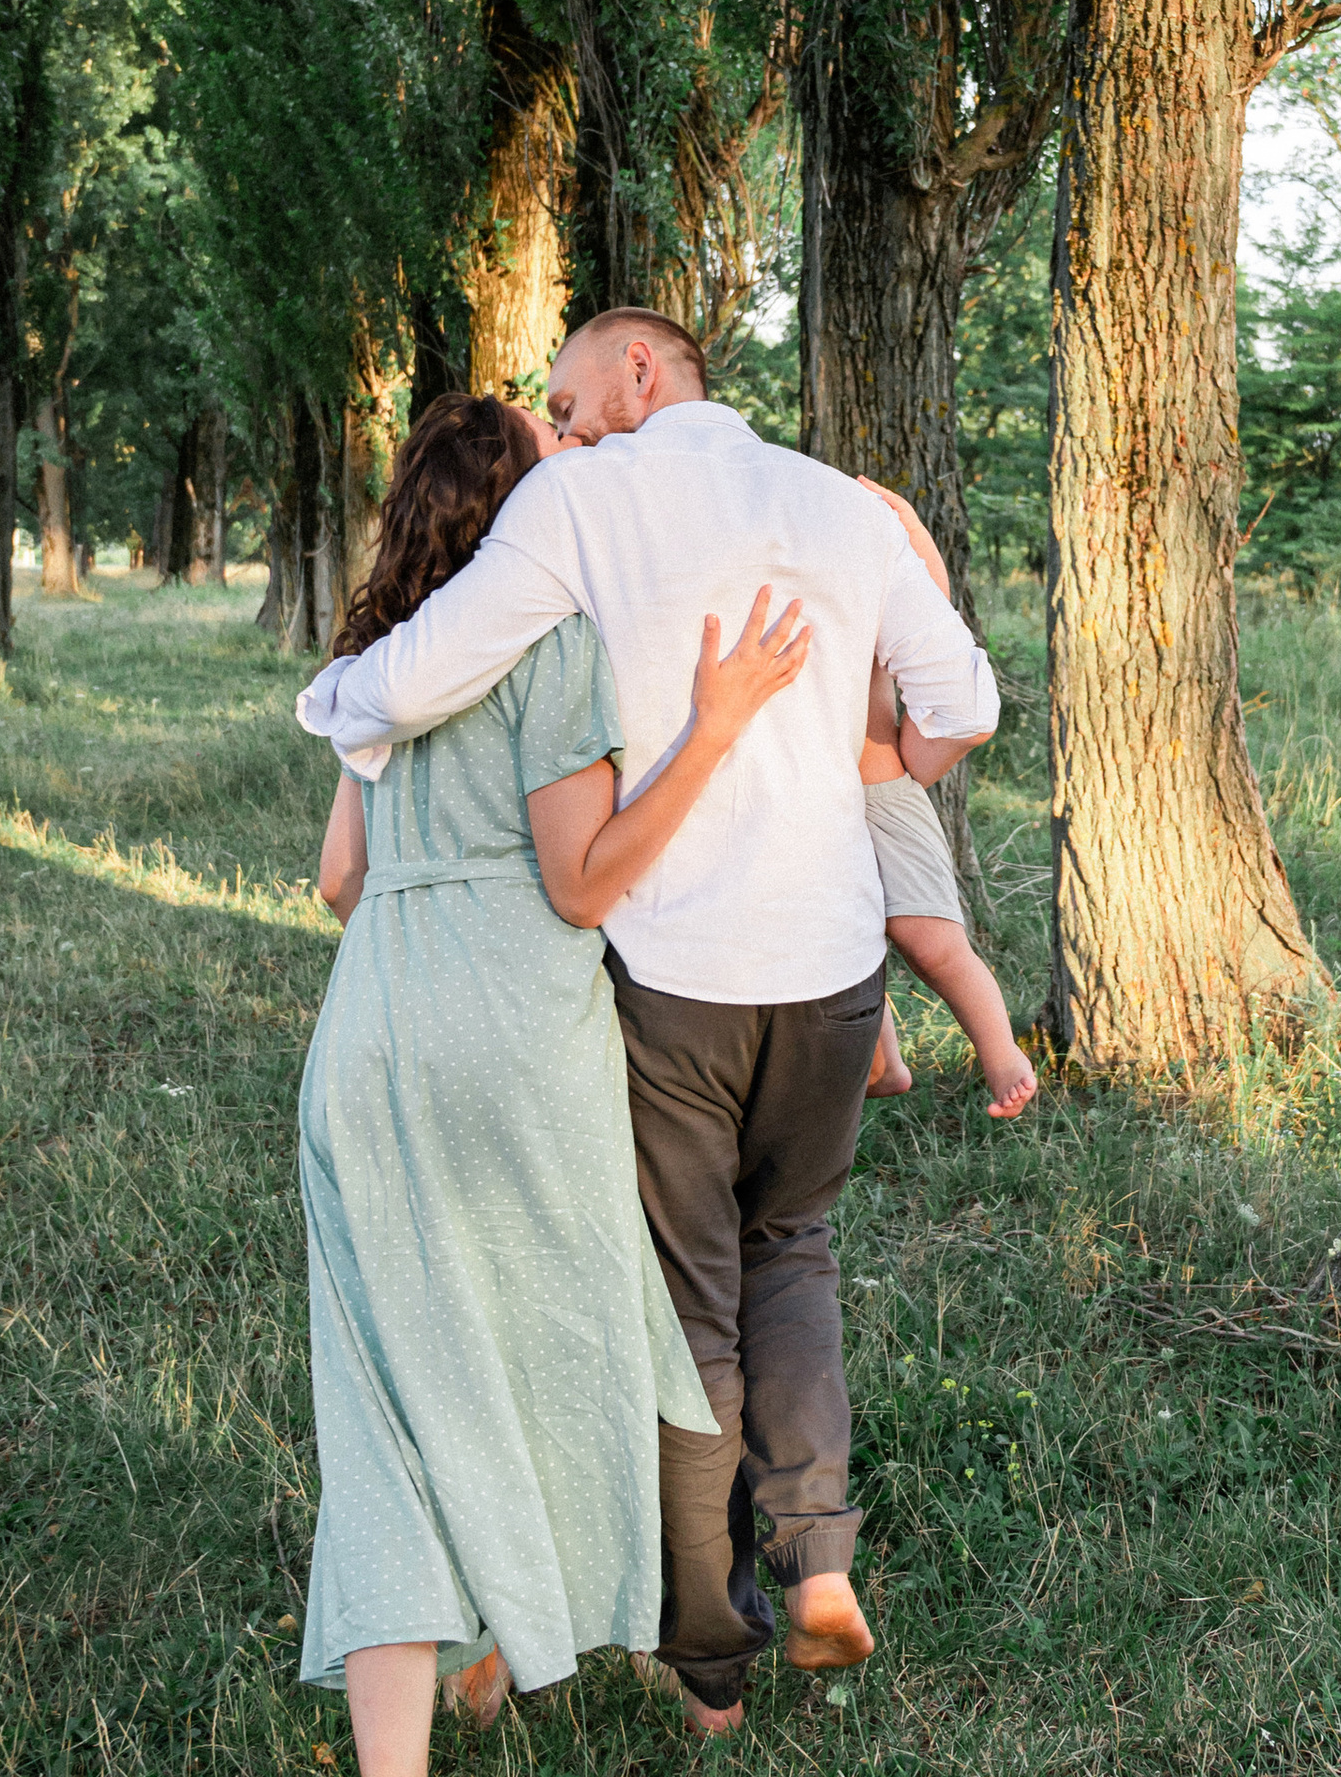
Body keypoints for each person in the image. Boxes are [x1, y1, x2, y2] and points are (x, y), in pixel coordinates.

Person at [298, 309, 998, 1737]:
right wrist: (872, 762)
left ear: (640, 369)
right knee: (782, 1256)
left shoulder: (572, 509)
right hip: (818, 969)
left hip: (627, 981)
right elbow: (962, 707)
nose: (568, 425)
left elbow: (411, 712)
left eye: (574, 393)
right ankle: (811, 1566)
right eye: (546, 416)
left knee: (667, 1310)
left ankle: (701, 1668)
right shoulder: (833, 502)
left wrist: (339, 696)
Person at [293, 392, 811, 1777]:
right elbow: (581, 884)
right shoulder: (554, 645)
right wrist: (712, 728)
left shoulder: (381, 661)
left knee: (392, 1398)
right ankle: (584, 1625)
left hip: (369, 1037)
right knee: (555, 1351)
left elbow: (339, 881)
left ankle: (425, 1715)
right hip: (518, 1032)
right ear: (532, 509)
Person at [847, 487, 1036, 1121]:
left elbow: (933, 604)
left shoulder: (869, 589)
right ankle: (884, 1062)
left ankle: (1001, 1053)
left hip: (881, 793)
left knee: (930, 941)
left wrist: (907, 520)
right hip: (807, 801)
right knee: (842, 938)